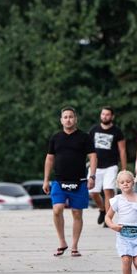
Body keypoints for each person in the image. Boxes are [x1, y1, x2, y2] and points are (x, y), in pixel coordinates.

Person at [43, 107, 97, 257]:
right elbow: (49, 158)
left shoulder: (84, 137)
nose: (68, 119)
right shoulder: (55, 138)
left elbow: (93, 157)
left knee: (77, 213)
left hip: (79, 181)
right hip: (59, 181)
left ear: (75, 119)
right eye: (65, 117)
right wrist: (46, 180)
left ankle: (74, 246)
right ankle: (62, 242)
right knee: (57, 209)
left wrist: (92, 176)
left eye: (71, 117)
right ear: (61, 120)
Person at [88, 106, 127, 226]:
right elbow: (88, 148)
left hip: (111, 166)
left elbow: (122, 150)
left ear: (112, 116)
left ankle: (107, 219)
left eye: (107, 114)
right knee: (93, 192)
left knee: (108, 191)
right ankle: (102, 209)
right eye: (103, 114)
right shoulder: (94, 130)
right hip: (95, 166)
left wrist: (124, 169)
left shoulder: (117, 131)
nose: (105, 116)